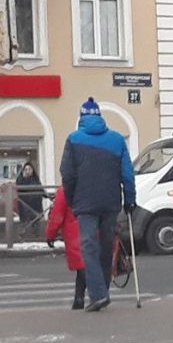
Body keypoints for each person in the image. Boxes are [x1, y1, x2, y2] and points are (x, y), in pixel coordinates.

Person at [59, 97, 136, 312]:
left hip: (85, 203)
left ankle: (98, 294)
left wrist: (73, 199)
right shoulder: (117, 139)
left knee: (88, 247)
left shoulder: (73, 140)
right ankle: (103, 291)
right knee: (106, 247)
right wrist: (130, 199)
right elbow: (127, 174)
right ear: (100, 117)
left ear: (82, 117)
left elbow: (67, 174)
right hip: (111, 202)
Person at [45, 186, 87, 309]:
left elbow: (57, 215)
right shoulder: (91, 183)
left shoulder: (65, 190)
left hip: (74, 234)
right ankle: (91, 296)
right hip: (93, 228)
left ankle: (81, 299)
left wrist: (50, 234)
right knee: (88, 265)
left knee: (82, 268)